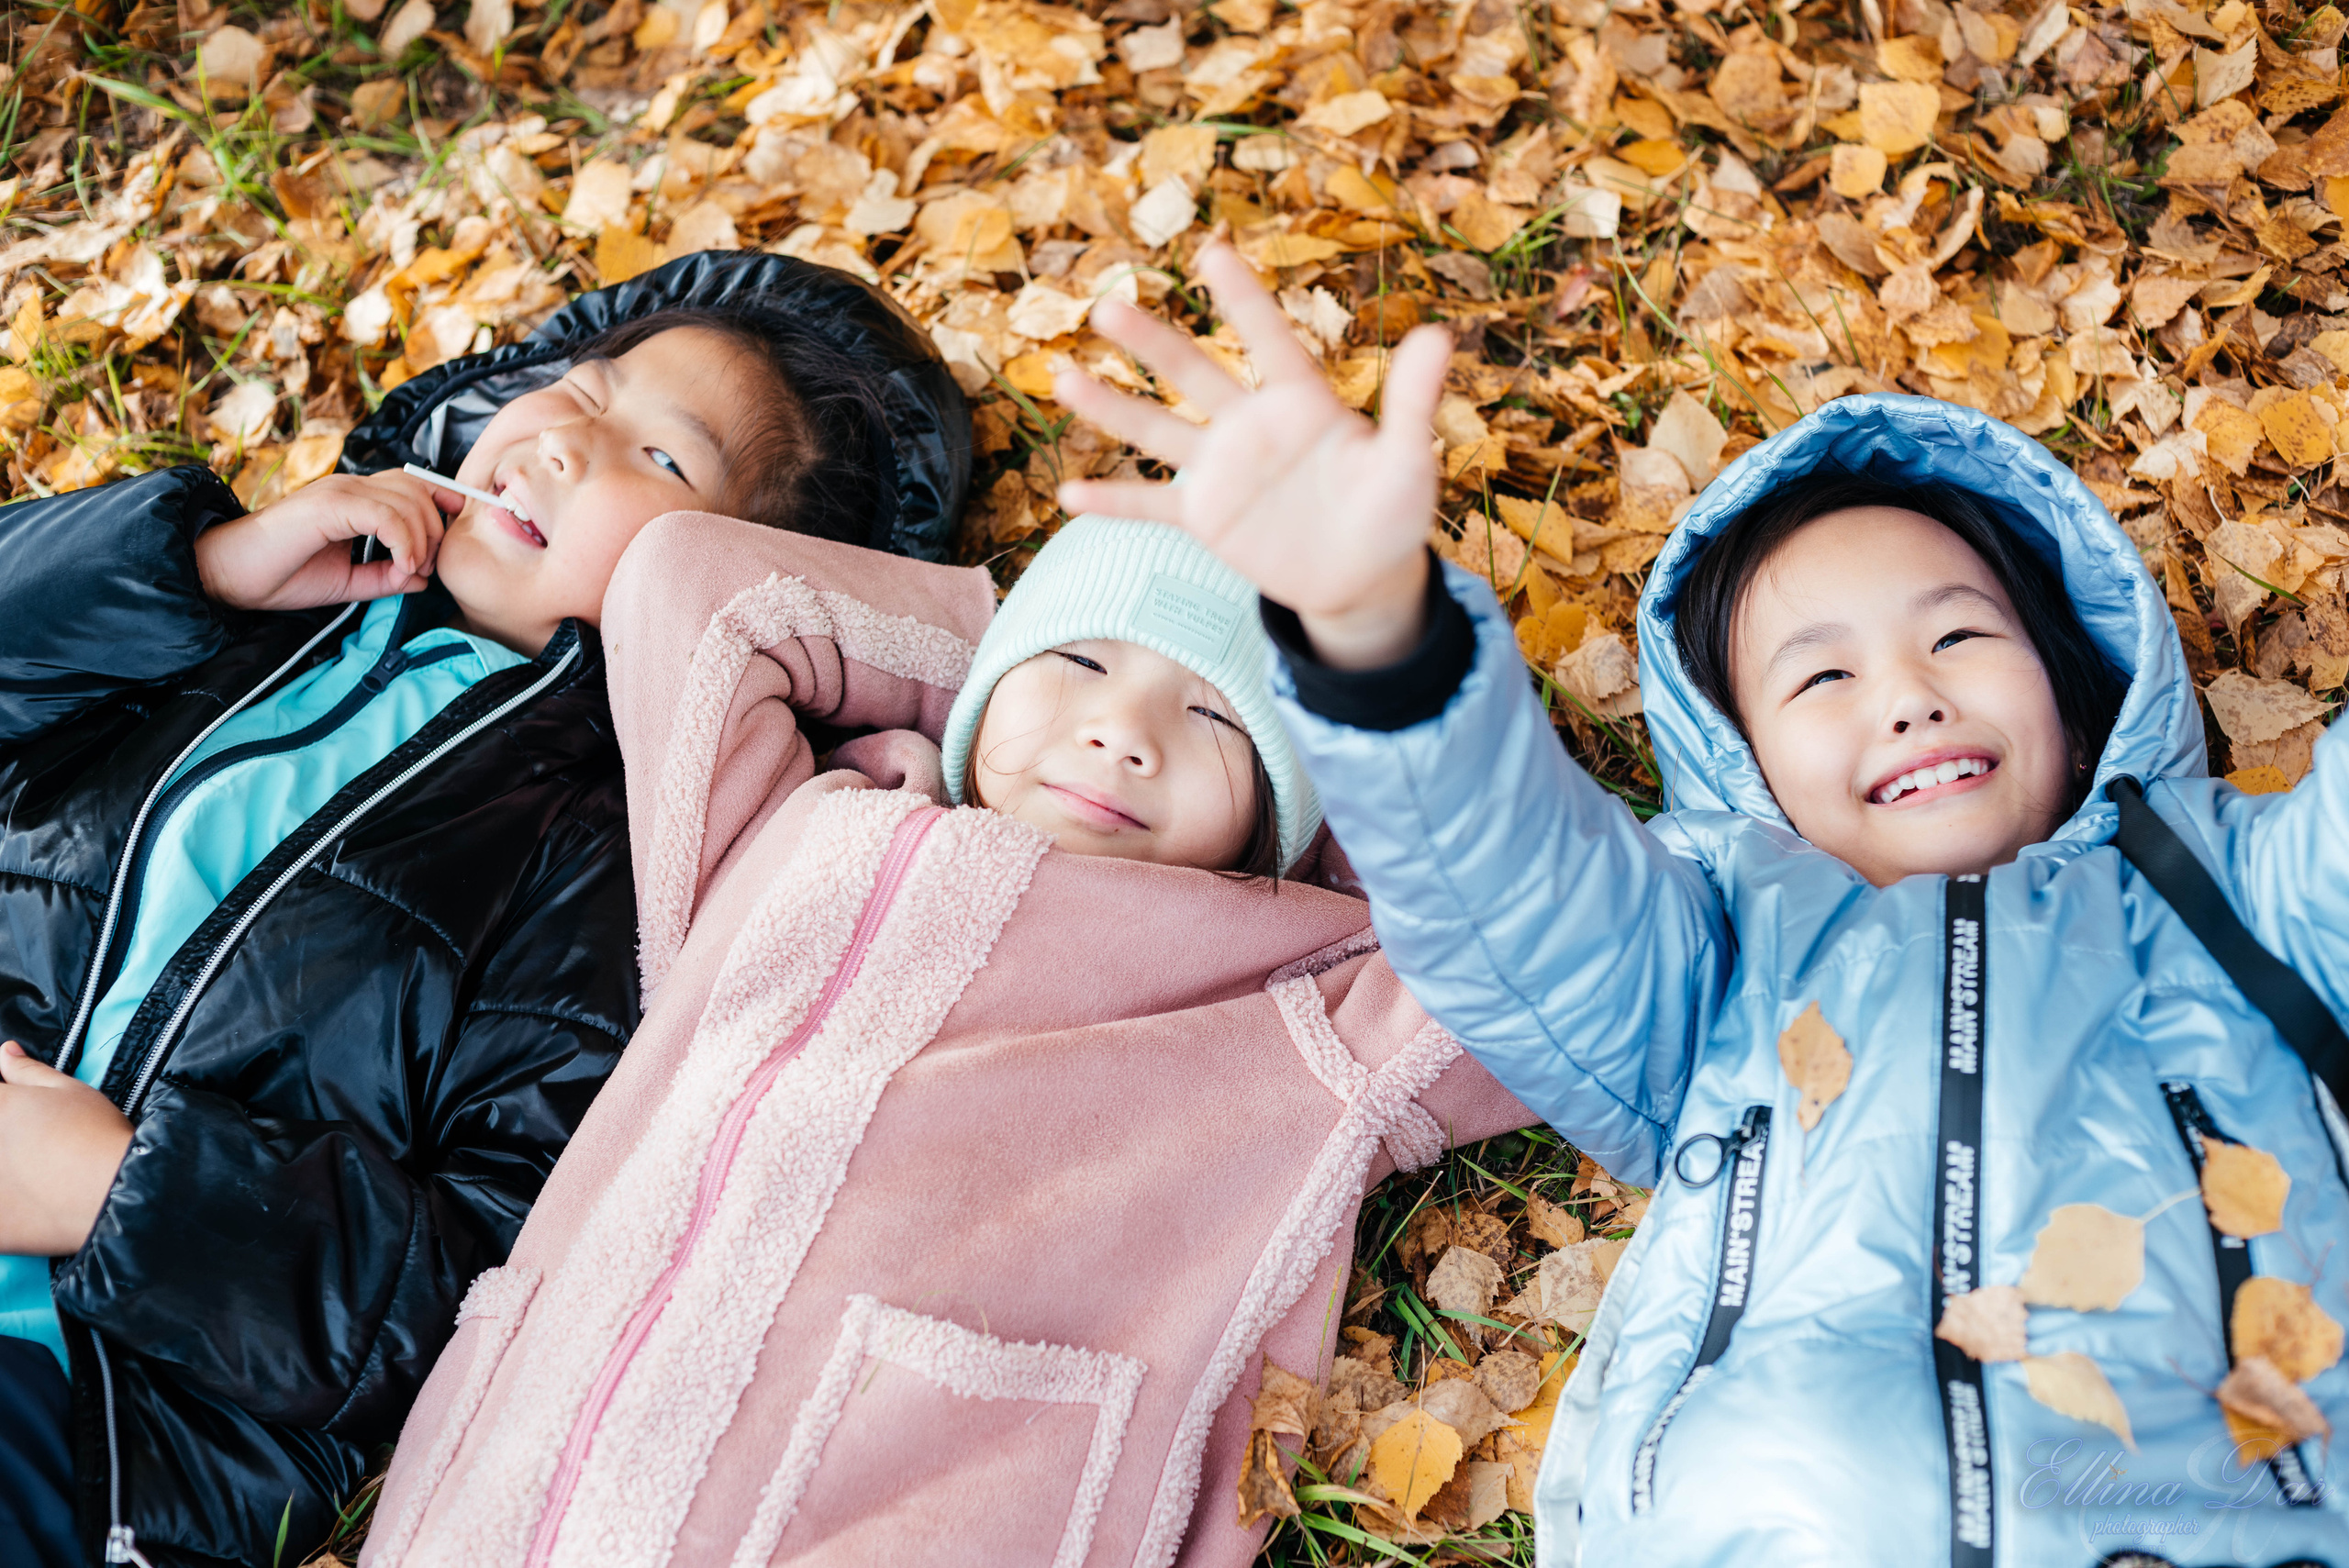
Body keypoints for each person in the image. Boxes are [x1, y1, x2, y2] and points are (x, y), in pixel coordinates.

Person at [1044, 244, 2349, 1563]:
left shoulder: (2246, 888)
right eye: (1820, 679)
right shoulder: (1721, 947)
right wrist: (1380, 635)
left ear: (2075, 686)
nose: (1907, 693)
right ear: (1749, 770)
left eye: (1959, 637)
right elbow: (1518, 894)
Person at [0, 250, 968, 1568]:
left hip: (105, 1398)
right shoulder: (239, 614)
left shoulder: (609, 859)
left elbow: (483, 1286)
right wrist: (204, 570)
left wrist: (124, 1193)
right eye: (579, 386)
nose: (563, 436)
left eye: (660, 457)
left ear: (736, 584)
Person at [363, 508, 1531, 1567]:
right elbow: (693, 580)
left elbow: (1529, 974)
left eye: (1218, 715)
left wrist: (1362, 715)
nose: (1122, 730)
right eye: (1076, 664)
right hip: (513, 1485)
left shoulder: (1304, 999)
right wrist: (1045, 609)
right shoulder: (783, 833)